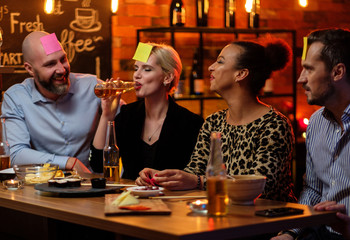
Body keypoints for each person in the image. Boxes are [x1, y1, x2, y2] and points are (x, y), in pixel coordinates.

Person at [137, 38, 297, 203]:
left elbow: (260, 186)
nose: (210, 67)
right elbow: (194, 171)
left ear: (241, 74)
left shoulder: (274, 124)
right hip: (226, 217)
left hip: (269, 221)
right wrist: (162, 177)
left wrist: (198, 181)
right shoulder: (214, 122)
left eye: (220, 62)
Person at [271, 28, 350, 240]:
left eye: (309, 69)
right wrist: (290, 232)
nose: (300, 79)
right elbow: (313, 190)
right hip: (320, 233)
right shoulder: (315, 122)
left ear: (337, 72)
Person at [90, 43, 204, 180]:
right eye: (136, 68)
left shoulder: (191, 123)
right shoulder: (127, 115)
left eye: (147, 69)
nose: (136, 75)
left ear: (167, 77)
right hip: (129, 199)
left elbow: (195, 176)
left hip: (171, 200)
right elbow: (97, 165)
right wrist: (107, 115)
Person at [1, 31, 104, 174]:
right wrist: (68, 162)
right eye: (50, 64)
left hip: (89, 184)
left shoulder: (92, 87)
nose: (61, 69)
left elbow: (130, 121)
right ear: (29, 69)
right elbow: (17, 154)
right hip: (41, 188)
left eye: (63, 59)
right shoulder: (17, 98)